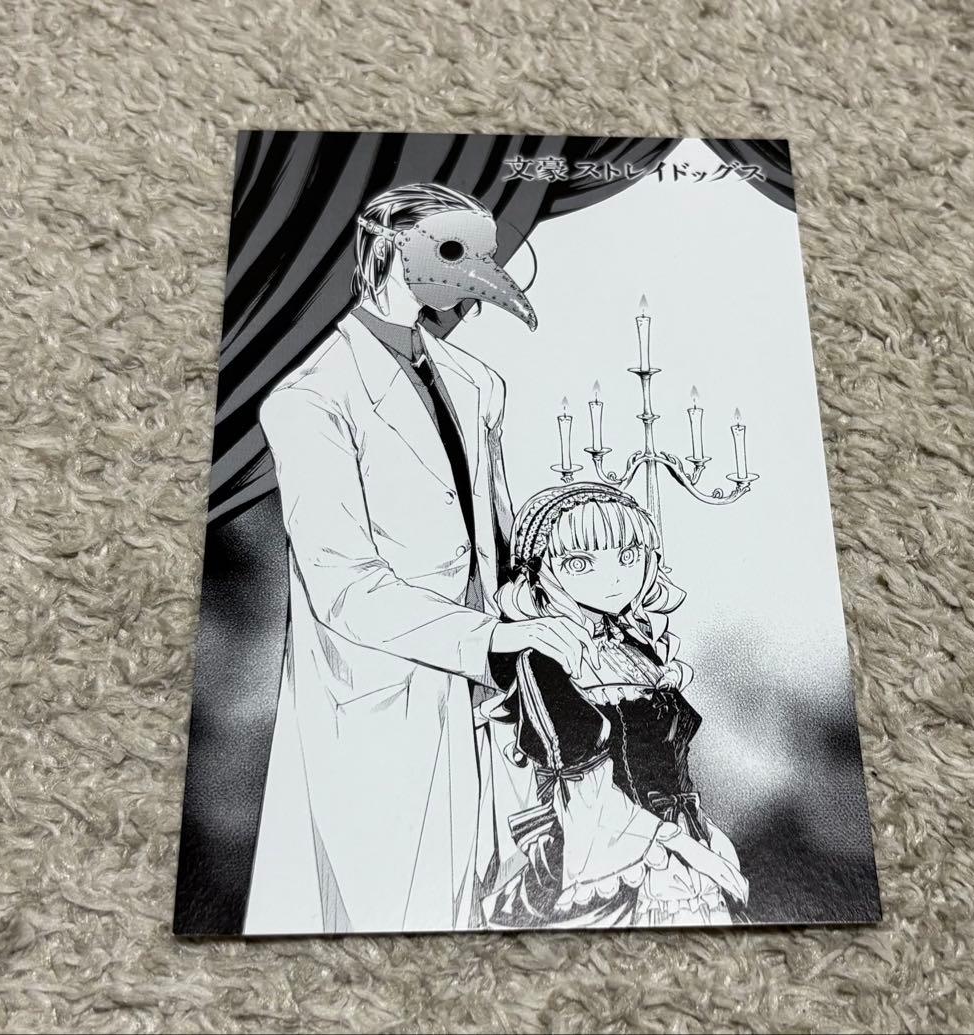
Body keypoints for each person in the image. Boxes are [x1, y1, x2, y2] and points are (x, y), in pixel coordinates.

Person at [243, 184, 597, 935]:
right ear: (384, 252)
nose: (479, 273)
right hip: (380, 701)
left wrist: (553, 609)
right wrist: (491, 640)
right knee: (382, 917)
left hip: (489, 705)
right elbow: (342, 585)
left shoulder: (478, 385)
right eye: (451, 251)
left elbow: (500, 543)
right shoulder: (310, 397)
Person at [482, 483, 749, 928]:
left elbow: (668, 762)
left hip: (678, 834)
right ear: (538, 573)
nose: (614, 578)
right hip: (600, 847)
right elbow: (581, 791)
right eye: (580, 563)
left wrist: (700, 834)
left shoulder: (635, 646)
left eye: (628, 556)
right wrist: (676, 844)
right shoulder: (541, 658)